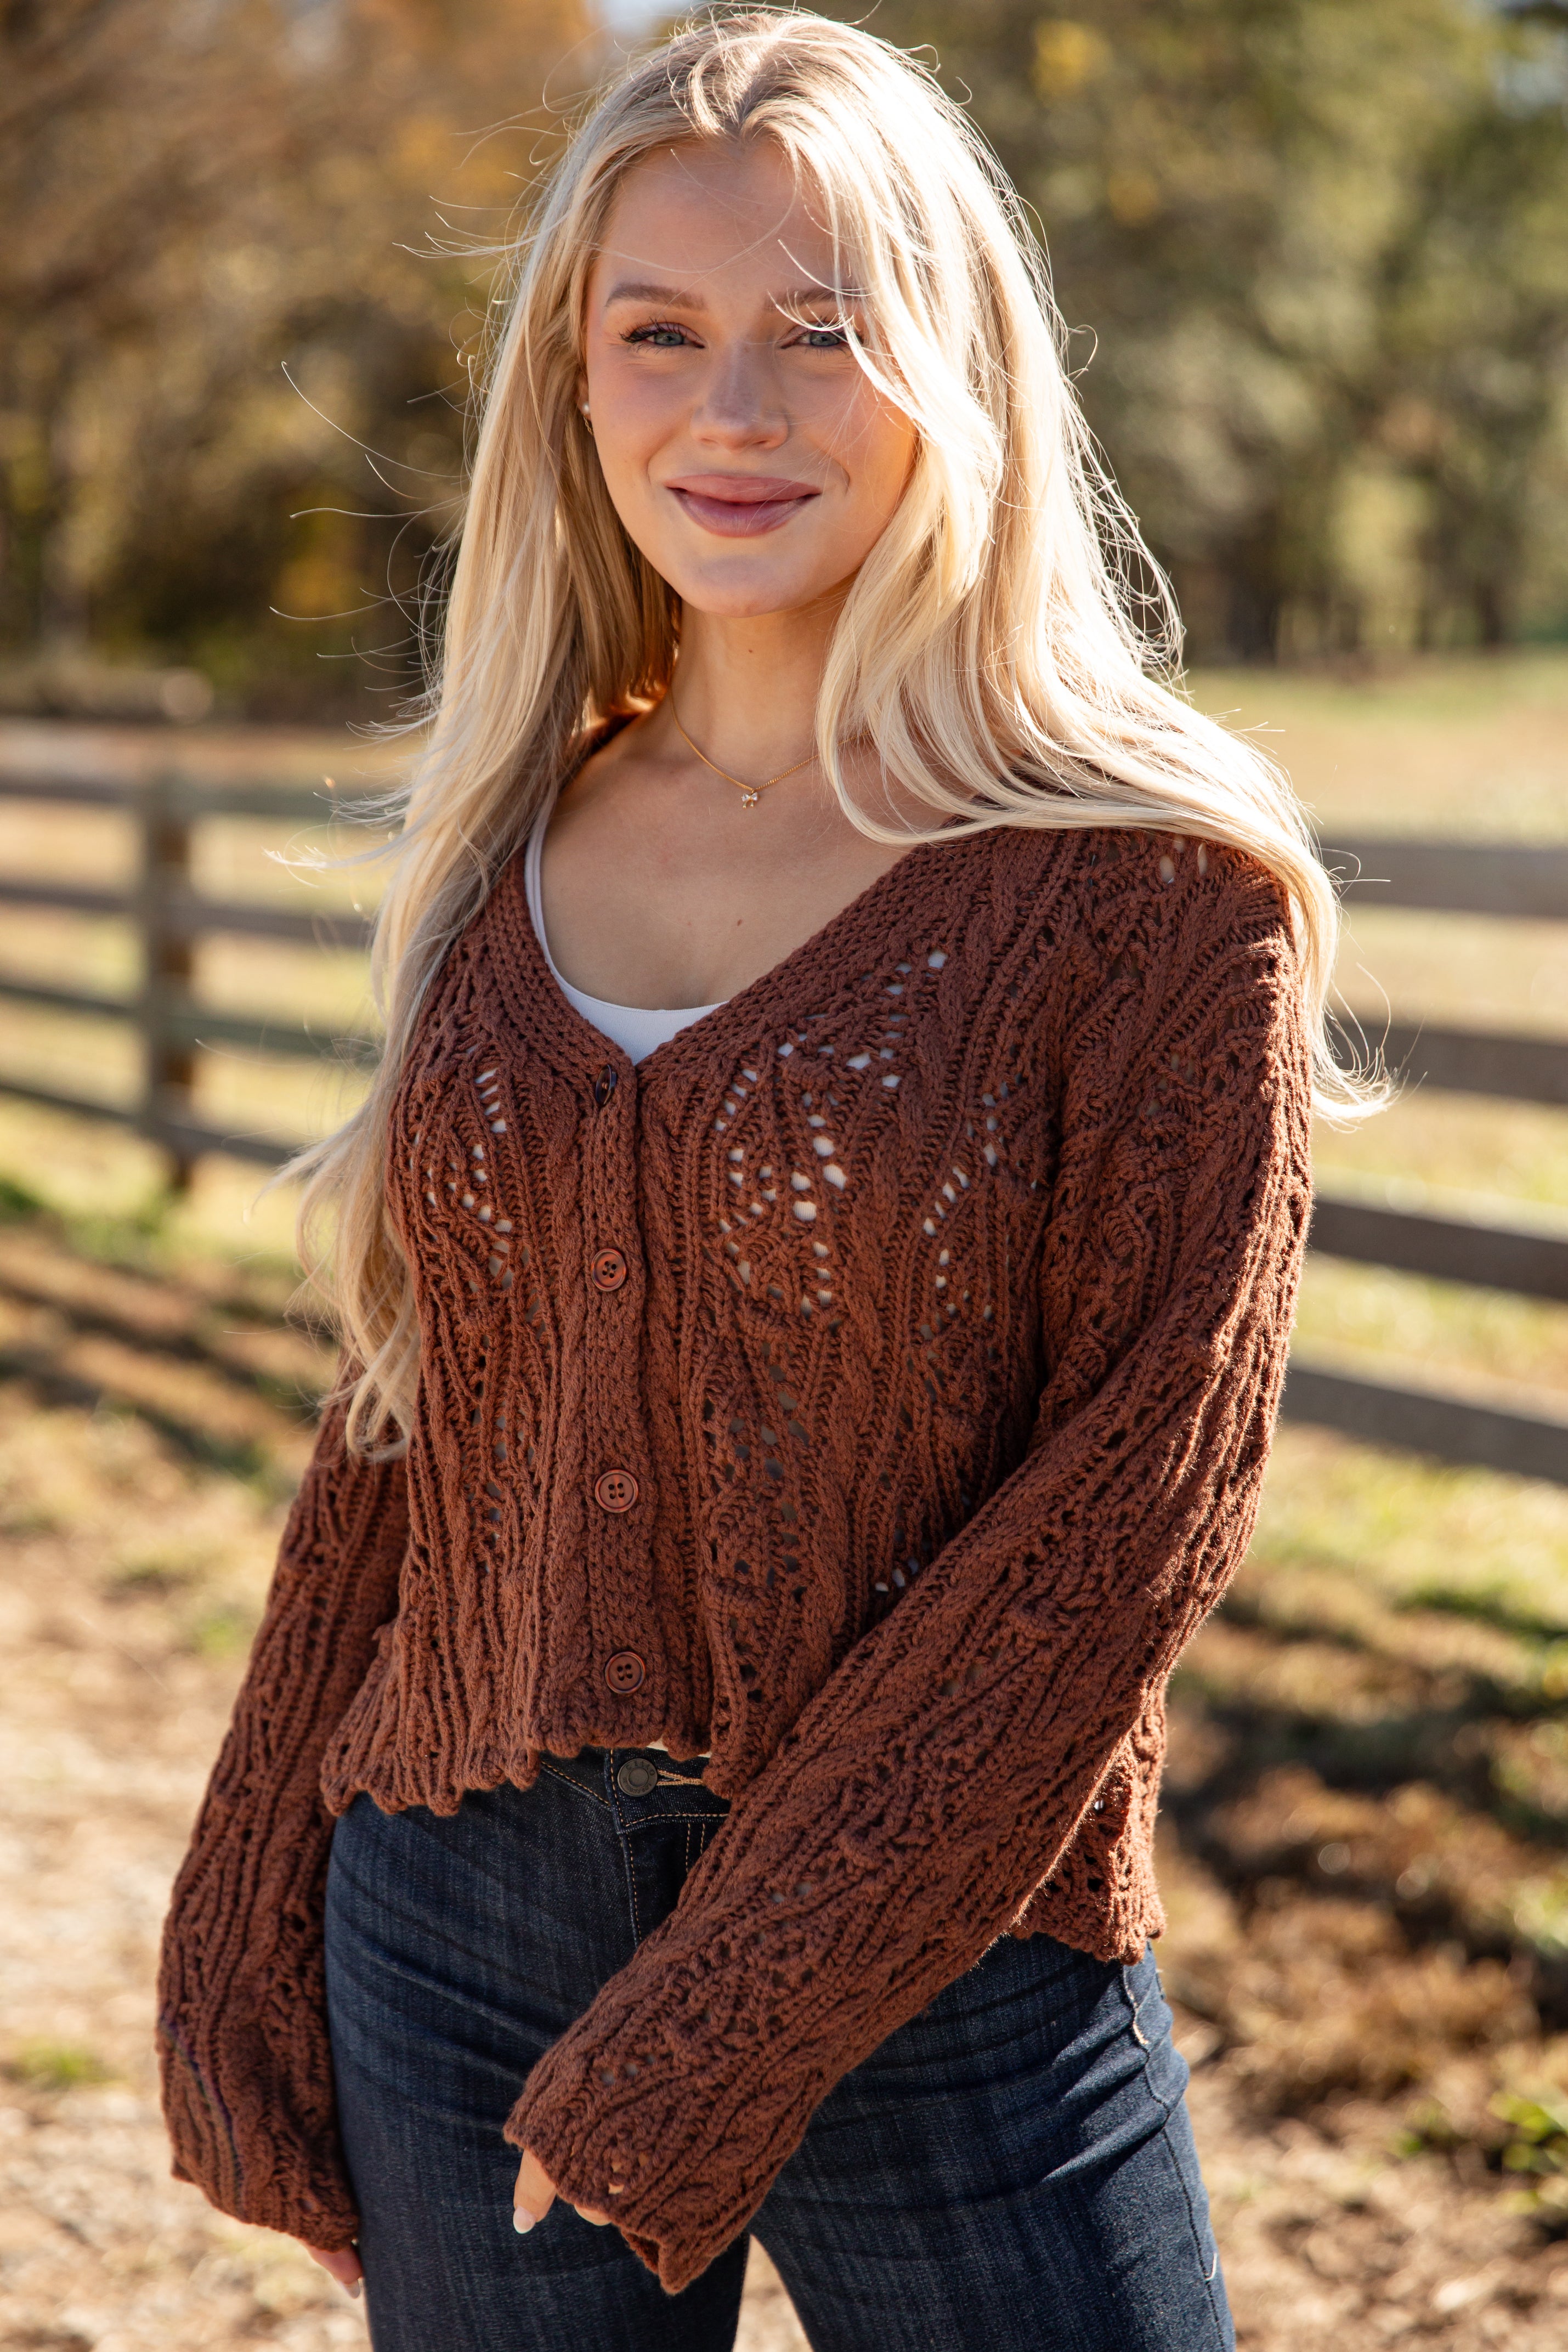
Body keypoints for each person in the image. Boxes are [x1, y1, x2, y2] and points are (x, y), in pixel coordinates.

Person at [157, 13, 1352, 2348]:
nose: (736, 409)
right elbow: (427, 1409)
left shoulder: (1148, 887)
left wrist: (743, 2006)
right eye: (663, 334)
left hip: (949, 1947)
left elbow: (1132, 1503)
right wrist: (241, 1917)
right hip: (458, 1922)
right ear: (572, 390)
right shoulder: (516, 835)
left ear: (950, 363)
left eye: (824, 332)